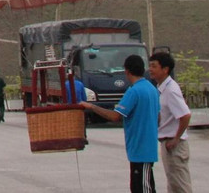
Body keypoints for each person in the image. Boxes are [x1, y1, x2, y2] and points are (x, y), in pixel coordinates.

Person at [79, 54, 159, 193]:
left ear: (126, 71)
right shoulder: (152, 89)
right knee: (138, 187)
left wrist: (91, 107)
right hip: (145, 146)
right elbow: (158, 117)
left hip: (141, 149)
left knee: (144, 188)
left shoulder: (134, 91)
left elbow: (115, 116)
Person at [149, 51, 192, 193]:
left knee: (180, 186)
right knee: (173, 185)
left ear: (165, 69)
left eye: (154, 66)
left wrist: (176, 138)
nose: (151, 70)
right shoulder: (162, 88)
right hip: (166, 142)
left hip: (174, 145)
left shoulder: (171, 90)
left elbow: (185, 115)